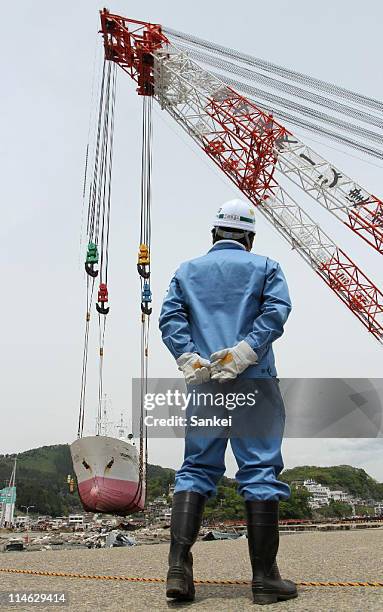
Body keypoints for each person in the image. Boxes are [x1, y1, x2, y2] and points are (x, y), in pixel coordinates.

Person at [159, 199, 297, 605]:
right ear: (249, 238)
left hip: (204, 381)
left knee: (196, 468)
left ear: (214, 234)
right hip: (252, 379)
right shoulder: (266, 267)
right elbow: (276, 311)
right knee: (258, 470)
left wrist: (187, 356)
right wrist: (246, 352)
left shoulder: (186, 271)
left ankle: (179, 572)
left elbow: (170, 317)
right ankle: (264, 579)